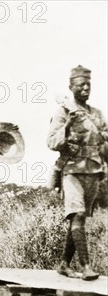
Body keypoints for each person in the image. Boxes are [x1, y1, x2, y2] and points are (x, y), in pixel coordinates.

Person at [47, 65, 108, 281]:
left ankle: (64, 263)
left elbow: (104, 143)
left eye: (88, 85)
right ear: (71, 87)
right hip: (71, 171)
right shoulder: (63, 112)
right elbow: (52, 142)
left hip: (93, 171)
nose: (85, 88)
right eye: (80, 85)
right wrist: (69, 125)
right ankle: (86, 266)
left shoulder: (97, 115)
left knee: (78, 218)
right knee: (78, 215)